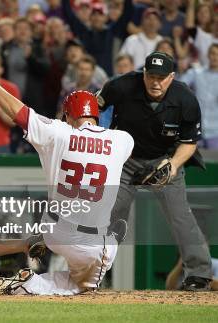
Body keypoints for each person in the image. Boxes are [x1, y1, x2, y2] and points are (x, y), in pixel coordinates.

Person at [0, 68, 134, 295]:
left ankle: (32, 273)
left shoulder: (58, 132)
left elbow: (18, 112)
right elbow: (102, 137)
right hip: (89, 240)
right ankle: (28, 285)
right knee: (87, 286)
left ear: (68, 115)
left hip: (53, 228)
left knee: (83, 259)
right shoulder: (123, 140)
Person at [97, 51, 212, 291]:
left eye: (161, 77)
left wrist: (173, 165)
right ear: (144, 74)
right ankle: (94, 268)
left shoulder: (186, 99)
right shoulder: (122, 85)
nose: (155, 82)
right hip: (125, 160)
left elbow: (189, 143)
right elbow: (91, 108)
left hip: (165, 160)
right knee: (113, 214)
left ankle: (199, 275)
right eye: (151, 76)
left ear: (171, 76)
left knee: (181, 216)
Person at [61, 0, 132, 76]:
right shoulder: (83, 32)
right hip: (88, 79)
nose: (97, 17)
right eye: (94, 14)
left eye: (100, 14)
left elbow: (127, 12)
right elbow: (68, 14)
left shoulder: (114, 31)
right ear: (90, 17)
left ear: (106, 18)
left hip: (110, 78)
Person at [179, 44, 218, 149]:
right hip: (195, 129)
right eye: (213, 53)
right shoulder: (196, 72)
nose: (215, 57)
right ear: (208, 55)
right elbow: (179, 86)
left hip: (216, 132)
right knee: (193, 164)